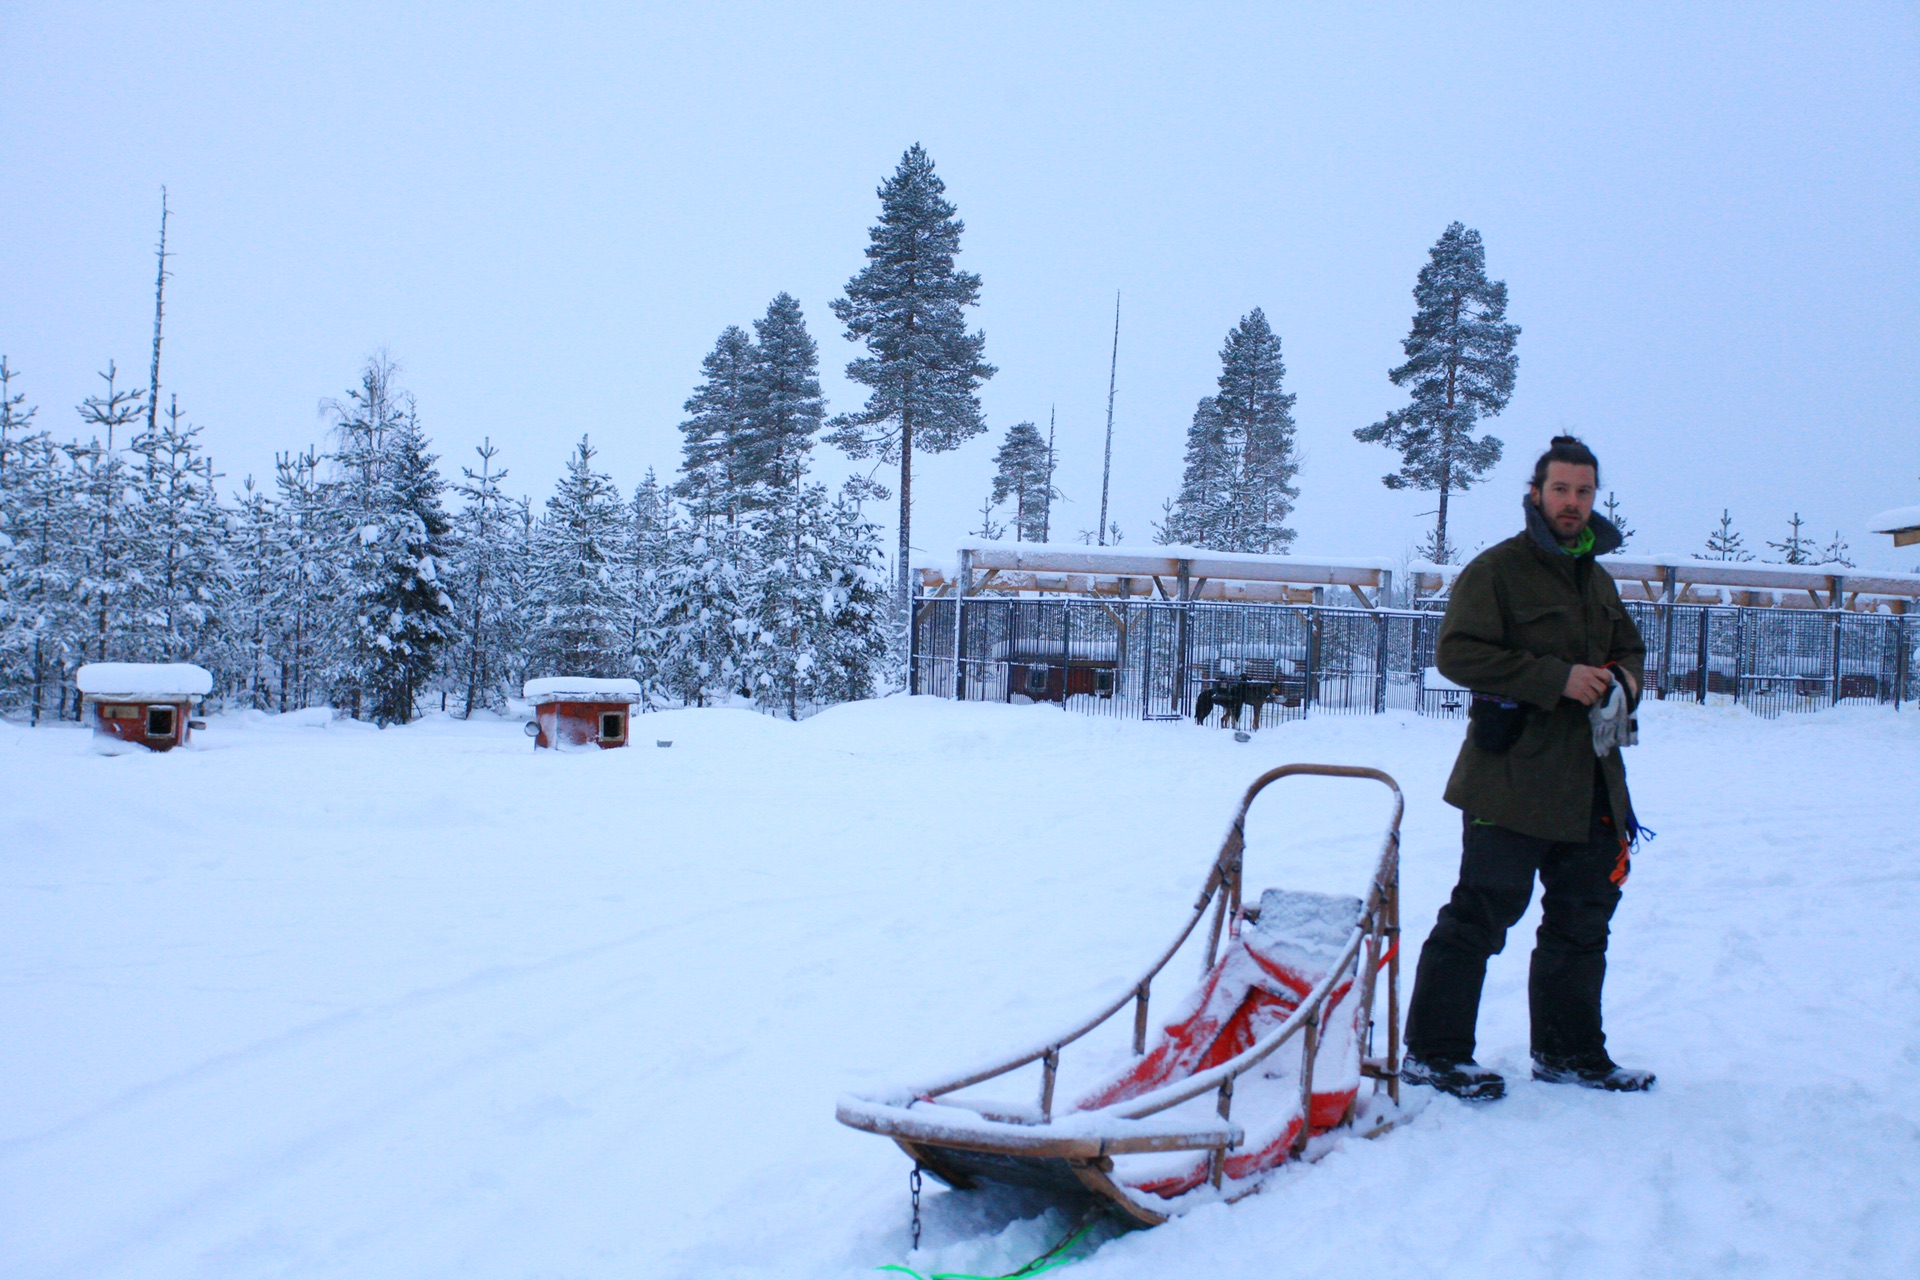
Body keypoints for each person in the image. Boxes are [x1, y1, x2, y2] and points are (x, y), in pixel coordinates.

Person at [1400, 436, 1655, 1100]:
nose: (1573, 503)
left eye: (1584, 491)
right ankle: (1435, 1053)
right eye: (1562, 489)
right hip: (1510, 778)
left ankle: (1569, 1053)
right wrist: (1555, 678)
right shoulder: (1498, 571)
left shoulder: (1596, 578)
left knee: (1583, 919)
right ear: (1537, 492)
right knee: (1481, 914)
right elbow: (1457, 654)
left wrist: (1624, 678)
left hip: (1592, 779)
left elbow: (1630, 646)